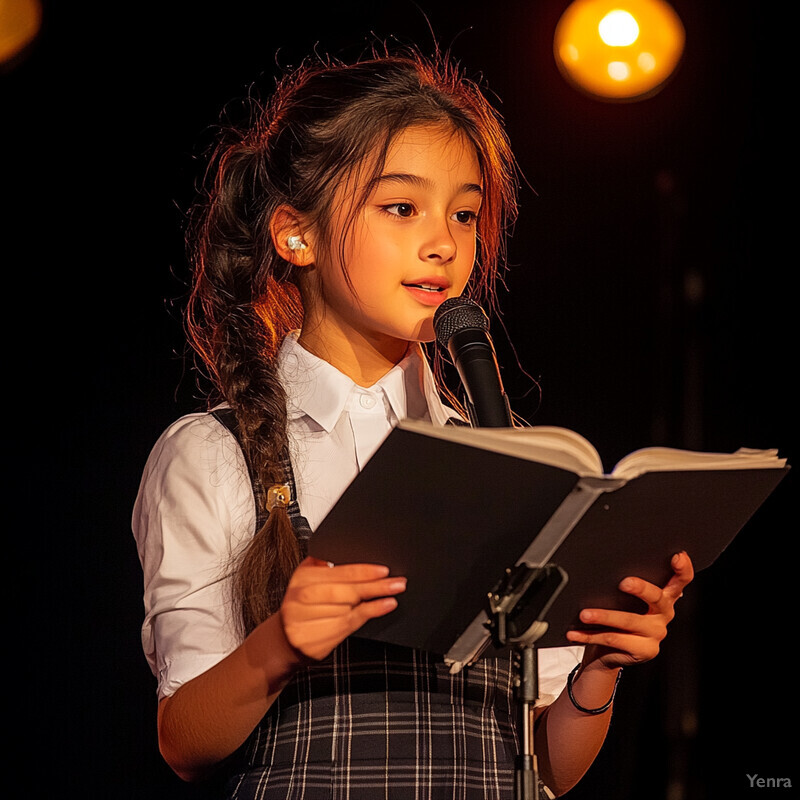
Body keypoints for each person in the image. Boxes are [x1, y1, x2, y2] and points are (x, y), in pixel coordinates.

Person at [132, 44, 694, 799]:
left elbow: (548, 770)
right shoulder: (215, 453)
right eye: (402, 207)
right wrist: (282, 643)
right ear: (296, 234)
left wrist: (599, 671)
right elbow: (184, 739)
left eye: (465, 214)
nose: (445, 244)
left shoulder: (510, 454)